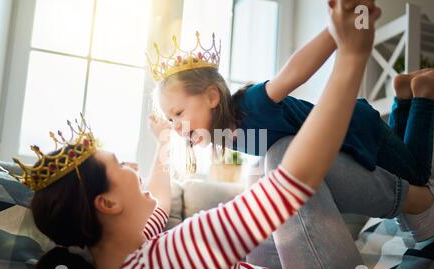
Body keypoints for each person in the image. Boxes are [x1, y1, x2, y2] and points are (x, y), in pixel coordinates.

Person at [150, 0, 434, 239]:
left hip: (354, 128)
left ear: (212, 97)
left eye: (178, 113)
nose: (176, 125)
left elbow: (293, 72)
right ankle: (404, 96)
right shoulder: (229, 134)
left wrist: (335, 31)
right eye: (170, 119)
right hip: (350, 136)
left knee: (418, 175)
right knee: (402, 165)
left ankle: (422, 95)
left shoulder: (251, 105)